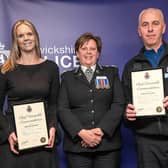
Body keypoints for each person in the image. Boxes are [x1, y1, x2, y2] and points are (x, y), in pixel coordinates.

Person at [58, 32, 125, 168]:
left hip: (107, 145)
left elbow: (118, 104)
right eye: (84, 48)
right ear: (77, 53)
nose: (88, 52)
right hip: (77, 147)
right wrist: (82, 133)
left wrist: (100, 131)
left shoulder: (111, 74)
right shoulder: (67, 78)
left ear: (98, 53)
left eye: (93, 49)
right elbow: (62, 109)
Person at [0, 19, 60, 168]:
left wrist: (52, 127)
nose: (26, 38)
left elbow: (54, 104)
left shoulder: (51, 68)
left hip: (42, 137)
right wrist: (9, 132)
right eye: (21, 36)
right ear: (16, 41)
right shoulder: (6, 70)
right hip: (15, 139)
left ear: (36, 37)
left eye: (29, 34)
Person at [122, 8, 168, 168]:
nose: (150, 29)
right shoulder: (131, 66)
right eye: (145, 24)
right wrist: (127, 114)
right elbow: (124, 106)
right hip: (146, 142)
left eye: (155, 24)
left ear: (163, 27)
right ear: (139, 31)